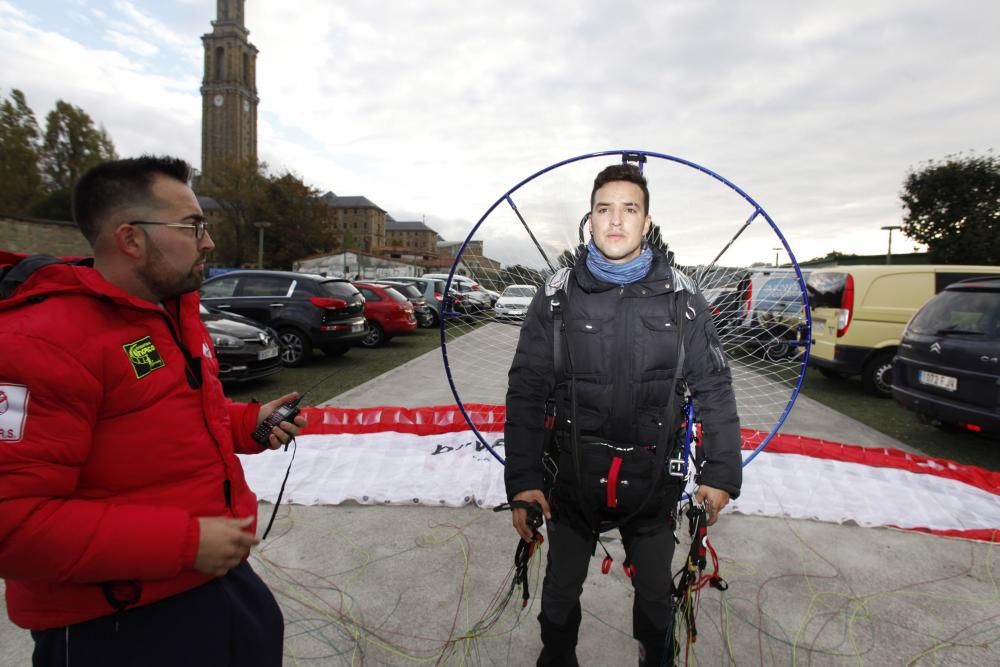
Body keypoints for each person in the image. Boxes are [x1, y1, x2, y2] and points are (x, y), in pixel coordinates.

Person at [0, 156, 307, 667]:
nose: (207, 242)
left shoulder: (170, 313)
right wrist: (186, 543)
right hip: (118, 623)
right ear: (131, 239)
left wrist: (247, 423)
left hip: (212, 582)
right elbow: (13, 524)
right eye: (192, 227)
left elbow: (172, 414)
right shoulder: (39, 342)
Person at [504, 163, 742, 666]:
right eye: (604, 209)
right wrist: (523, 479)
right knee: (557, 600)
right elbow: (526, 390)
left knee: (657, 602)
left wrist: (721, 472)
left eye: (628, 209)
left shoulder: (684, 298)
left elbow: (715, 387)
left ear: (647, 222)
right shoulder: (553, 296)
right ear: (588, 220)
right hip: (571, 481)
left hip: (651, 484)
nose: (615, 221)